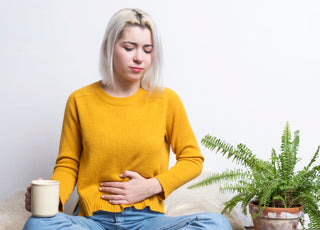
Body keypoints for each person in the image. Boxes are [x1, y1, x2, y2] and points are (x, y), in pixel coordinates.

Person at [23, 8, 232, 230]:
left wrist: (152, 186)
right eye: (129, 48)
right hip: (93, 221)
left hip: (149, 220)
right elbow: (68, 164)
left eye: (147, 50)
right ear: (108, 48)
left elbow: (192, 159)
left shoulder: (166, 100)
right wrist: (52, 200)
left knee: (217, 224)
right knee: (37, 224)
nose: (139, 58)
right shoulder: (80, 100)